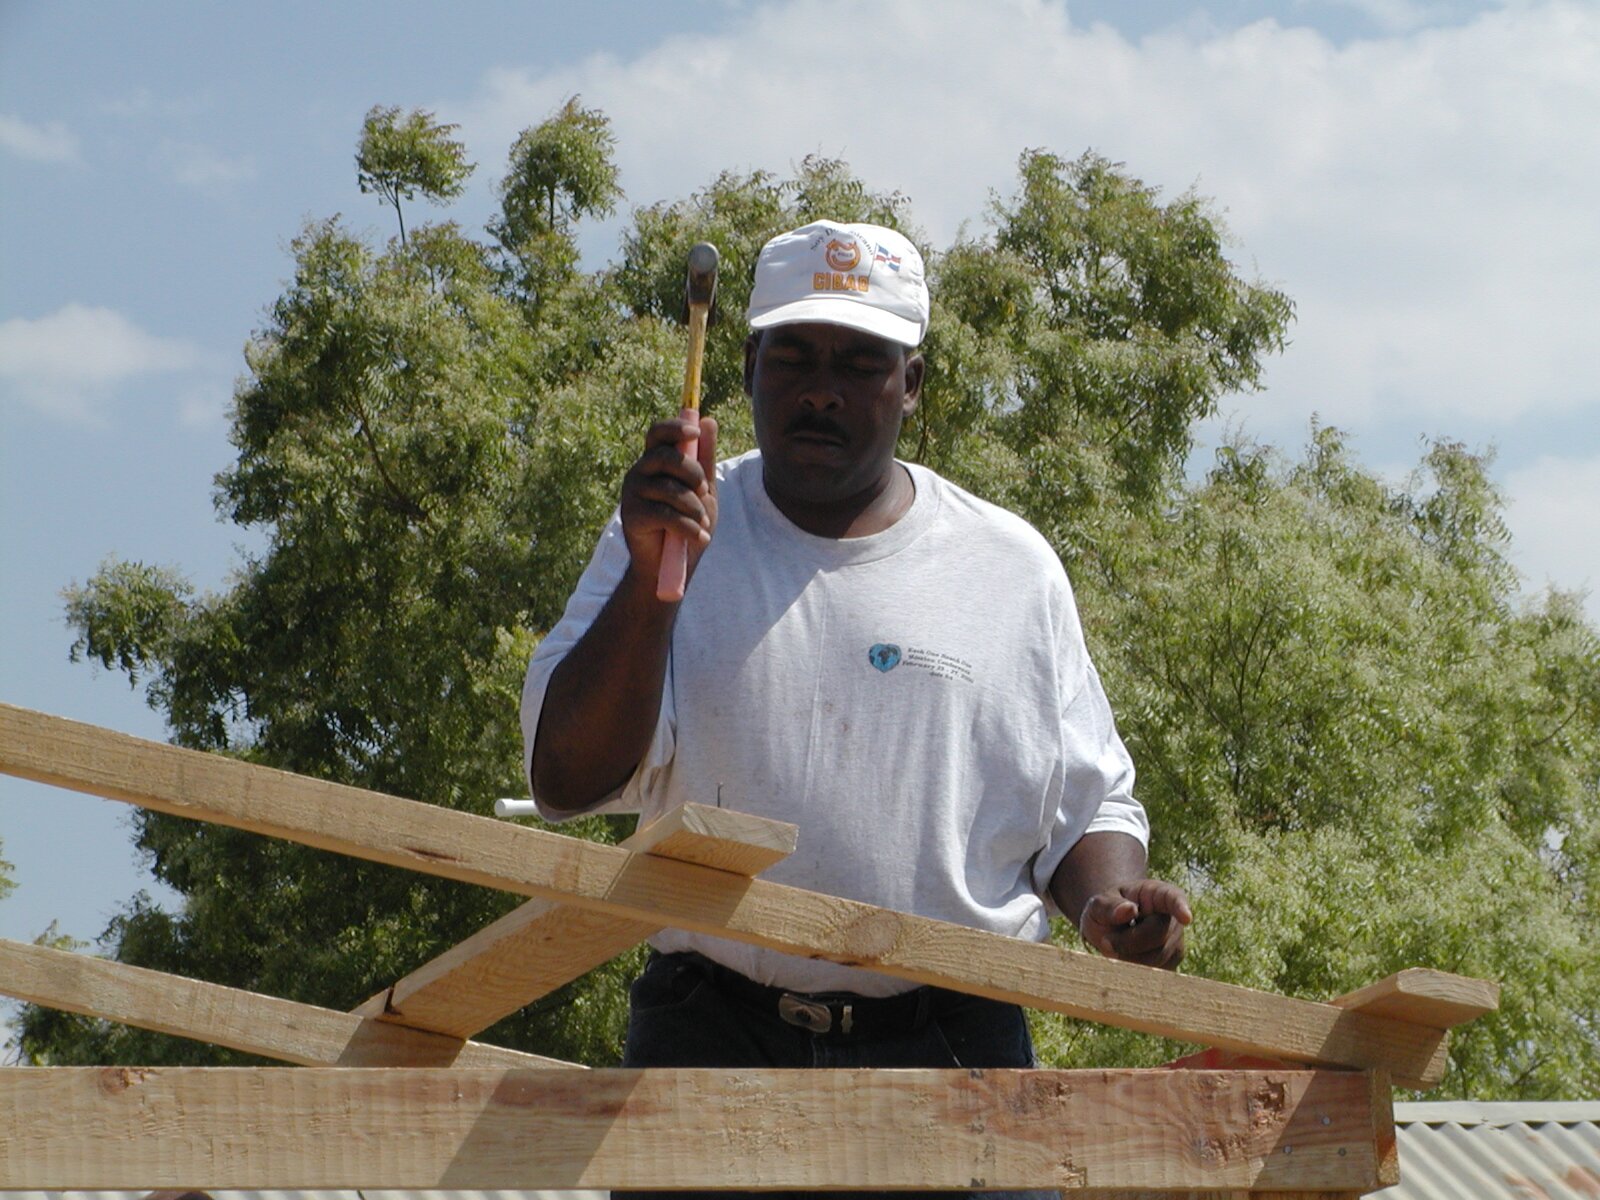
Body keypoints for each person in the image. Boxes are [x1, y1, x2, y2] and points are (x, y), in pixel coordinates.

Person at [521, 220, 1191, 1199]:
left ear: (911, 384)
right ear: (747, 369)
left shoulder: (1006, 568)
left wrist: (1109, 906)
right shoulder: (667, 529)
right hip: (712, 1042)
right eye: (793, 356)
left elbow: (1083, 806)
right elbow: (565, 779)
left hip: (954, 1054)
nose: (822, 390)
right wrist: (653, 586)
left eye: (860, 363)